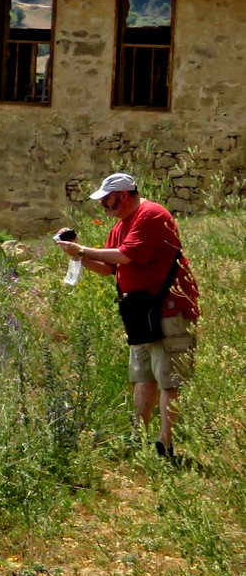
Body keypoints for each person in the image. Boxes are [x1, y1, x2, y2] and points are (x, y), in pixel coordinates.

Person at [59, 172, 199, 462]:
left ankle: (165, 445)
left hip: (168, 308)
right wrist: (76, 254)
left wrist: (82, 249)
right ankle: (140, 441)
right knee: (143, 376)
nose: (104, 206)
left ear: (122, 195)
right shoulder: (123, 224)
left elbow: (124, 256)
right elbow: (110, 268)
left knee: (168, 380)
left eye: (107, 199)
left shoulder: (151, 215)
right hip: (142, 312)